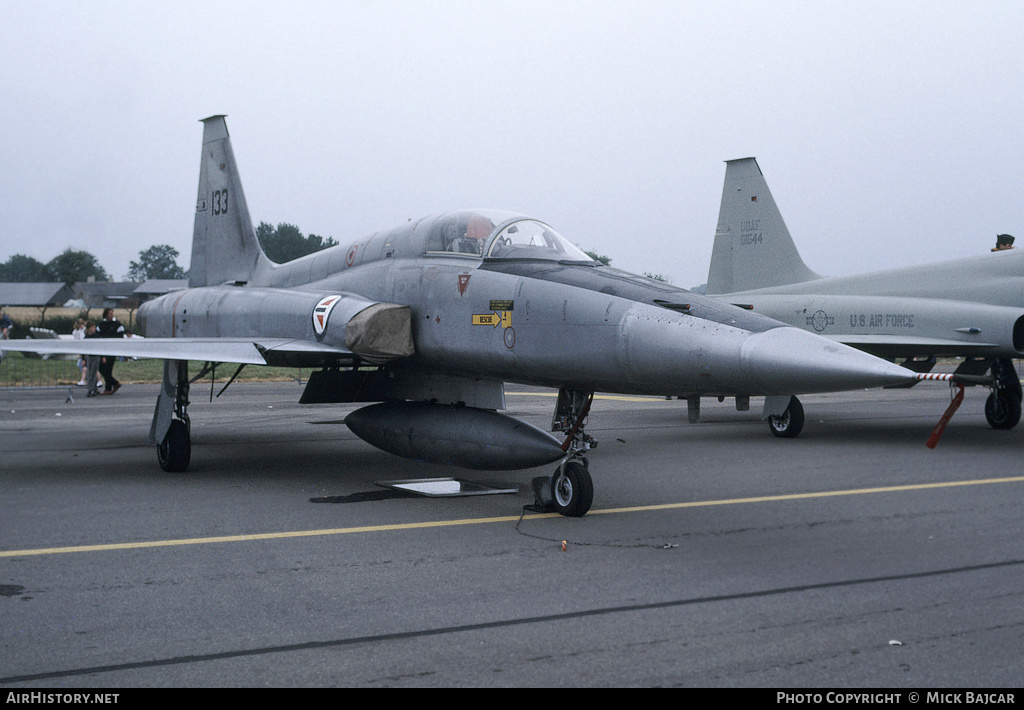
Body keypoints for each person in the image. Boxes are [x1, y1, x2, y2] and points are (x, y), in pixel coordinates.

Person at [97, 308, 125, 395]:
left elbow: (121, 336)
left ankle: (109, 388)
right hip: (103, 349)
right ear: (106, 314)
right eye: (110, 313)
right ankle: (114, 383)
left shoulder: (117, 324)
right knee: (102, 368)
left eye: (112, 313)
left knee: (108, 369)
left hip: (113, 349)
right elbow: (98, 336)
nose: (112, 315)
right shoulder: (101, 324)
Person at [83, 321, 103, 397]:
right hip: (89, 356)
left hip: (96, 356)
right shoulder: (86, 338)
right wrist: (83, 359)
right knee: (89, 372)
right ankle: (93, 388)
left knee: (93, 373)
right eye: (92, 327)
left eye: (94, 327)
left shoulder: (97, 336)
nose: (93, 329)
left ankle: (91, 389)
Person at [72, 318, 88, 385]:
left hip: (84, 350)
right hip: (80, 350)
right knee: (80, 365)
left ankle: (85, 379)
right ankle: (86, 378)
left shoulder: (84, 330)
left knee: (82, 365)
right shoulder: (78, 331)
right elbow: (75, 336)